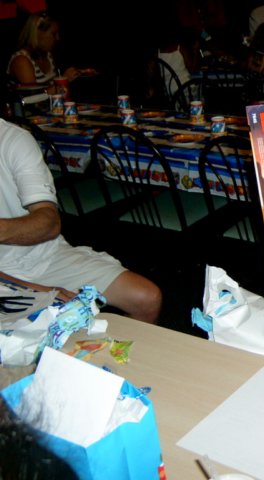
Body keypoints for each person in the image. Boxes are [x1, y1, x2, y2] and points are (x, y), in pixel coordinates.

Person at [0, 118, 162, 324]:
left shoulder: (12, 138)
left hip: (42, 256)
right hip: (5, 278)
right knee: (48, 324)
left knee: (146, 298)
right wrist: (38, 292)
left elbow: (49, 223)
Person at [6, 11, 83, 94]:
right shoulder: (21, 60)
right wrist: (63, 80)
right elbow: (34, 97)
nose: (58, 38)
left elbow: (54, 91)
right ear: (37, 33)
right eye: (53, 34)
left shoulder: (48, 55)